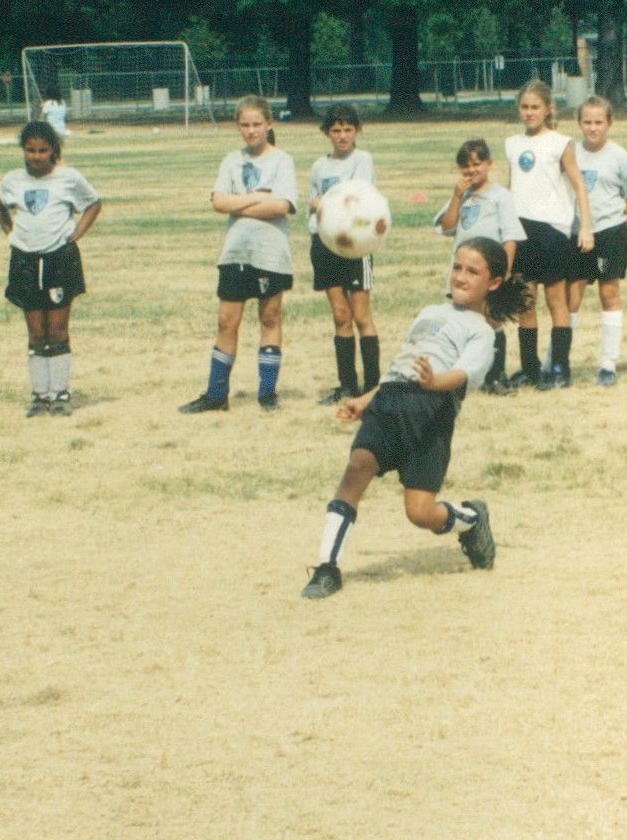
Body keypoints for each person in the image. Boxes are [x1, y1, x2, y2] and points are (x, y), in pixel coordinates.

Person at [301, 237, 533, 599]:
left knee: (420, 513)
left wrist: (433, 382)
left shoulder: (483, 332)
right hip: (390, 401)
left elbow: (464, 375)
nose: (460, 276)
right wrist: (365, 399)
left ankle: (471, 520)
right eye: (457, 267)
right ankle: (327, 568)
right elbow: (400, 368)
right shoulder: (429, 311)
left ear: (494, 282)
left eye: (473, 271)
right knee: (357, 466)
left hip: (431, 413)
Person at [180, 95, 298, 413]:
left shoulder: (282, 161)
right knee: (226, 321)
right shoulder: (231, 160)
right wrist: (258, 196)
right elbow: (218, 202)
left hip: (270, 253)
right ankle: (216, 395)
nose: (251, 131)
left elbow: (281, 206)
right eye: (244, 125)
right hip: (236, 253)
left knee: (269, 317)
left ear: (269, 124)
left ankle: (267, 393)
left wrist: (238, 203)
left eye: (257, 124)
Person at [0, 121, 102, 416]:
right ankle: (40, 395)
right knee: (36, 331)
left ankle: (60, 394)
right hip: (26, 262)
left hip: (59, 261)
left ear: (53, 150)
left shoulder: (68, 178)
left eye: (43, 150)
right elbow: (0, 207)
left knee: (56, 329)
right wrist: (11, 234)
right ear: (23, 150)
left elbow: (93, 203)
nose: (37, 156)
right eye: (31, 150)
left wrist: (78, 232)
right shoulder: (12, 181)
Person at [504, 79, 593, 389]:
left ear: (548, 109)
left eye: (535, 107)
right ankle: (530, 369)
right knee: (525, 302)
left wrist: (585, 226)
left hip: (552, 231)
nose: (529, 113)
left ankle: (559, 368)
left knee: (556, 301)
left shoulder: (560, 142)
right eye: (524, 107)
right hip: (520, 229)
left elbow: (579, 185)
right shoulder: (512, 144)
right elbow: (511, 187)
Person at [435, 138, 525, 394]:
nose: (471, 170)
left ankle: (496, 376)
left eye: (476, 164)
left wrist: (505, 271)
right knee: (464, 319)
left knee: (492, 319)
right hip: (464, 270)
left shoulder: (500, 196)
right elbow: (447, 227)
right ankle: (466, 374)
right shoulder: (462, 195)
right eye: (465, 166)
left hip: (488, 271)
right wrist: (456, 196)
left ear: (489, 163)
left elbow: (510, 236)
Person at [565, 97, 627, 386]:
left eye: (599, 122)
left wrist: (626, 236)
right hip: (578, 234)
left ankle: (608, 364)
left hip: (610, 233)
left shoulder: (619, 156)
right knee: (571, 296)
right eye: (587, 122)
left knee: (608, 294)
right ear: (579, 123)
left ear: (609, 123)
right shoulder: (570, 153)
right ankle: (558, 359)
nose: (593, 128)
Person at [307, 103, 380, 405]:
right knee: (340, 315)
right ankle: (347, 384)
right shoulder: (319, 167)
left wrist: (325, 202)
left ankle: (373, 386)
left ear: (357, 130)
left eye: (348, 129)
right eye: (336, 130)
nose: (342, 136)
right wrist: (319, 208)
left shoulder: (362, 160)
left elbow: (357, 199)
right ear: (327, 133)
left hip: (355, 244)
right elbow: (313, 206)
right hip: (325, 244)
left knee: (361, 315)